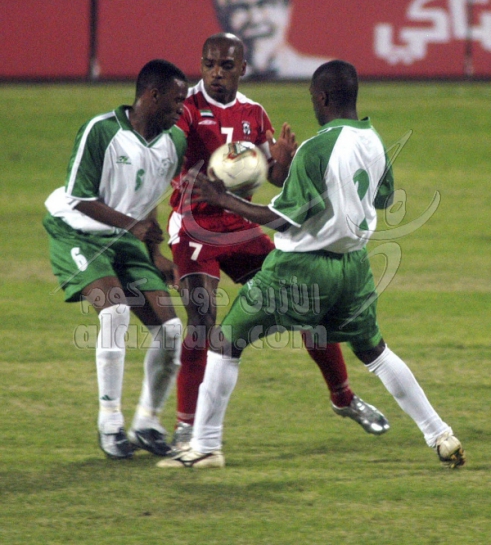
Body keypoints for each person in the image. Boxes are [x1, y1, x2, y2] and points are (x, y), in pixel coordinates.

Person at [158, 60, 466, 470]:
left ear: (322, 98)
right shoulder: (374, 140)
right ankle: (441, 434)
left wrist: (223, 198)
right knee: (375, 351)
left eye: (312, 99)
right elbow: (383, 198)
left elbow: (282, 219)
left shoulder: (316, 148)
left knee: (224, 342)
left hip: (300, 269)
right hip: (354, 269)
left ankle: (205, 446)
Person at [168, 33, 389, 453]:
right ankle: (185, 426)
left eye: (226, 66)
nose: (216, 73)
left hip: (240, 225)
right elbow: (169, 151)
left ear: (242, 68)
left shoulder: (253, 113)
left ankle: (344, 398)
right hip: (194, 228)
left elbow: (273, 177)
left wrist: (282, 164)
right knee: (201, 319)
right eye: (209, 64)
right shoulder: (186, 110)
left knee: (308, 304)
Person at [43, 59, 188, 460]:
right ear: (152, 96)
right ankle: (110, 422)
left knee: (171, 330)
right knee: (115, 312)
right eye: (177, 100)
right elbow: (80, 198)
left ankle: (147, 422)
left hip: (126, 238)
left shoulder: (174, 142)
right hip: (77, 231)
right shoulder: (101, 131)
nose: (182, 109)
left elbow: (150, 196)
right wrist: (133, 226)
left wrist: (155, 254)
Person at [213, 0, 331, 79]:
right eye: (240, 7)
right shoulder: (214, 81)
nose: (255, 19)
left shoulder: (322, 74)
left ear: (287, 7)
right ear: (222, 15)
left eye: (265, 3)